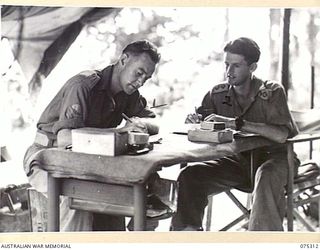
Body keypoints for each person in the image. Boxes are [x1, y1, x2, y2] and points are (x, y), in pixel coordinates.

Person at [23, 40, 161, 231]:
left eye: (146, 78)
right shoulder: (83, 85)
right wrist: (119, 133)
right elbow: (65, 139)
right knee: (76, 198)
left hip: (85, 163)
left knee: (132, 191)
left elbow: (155, 123)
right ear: (123, 60)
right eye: (139, 73)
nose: (140, 82)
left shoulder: (129, 94)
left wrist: (141, 124)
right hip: (46, 157)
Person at [170, 37, 300, 231]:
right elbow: (204, 119)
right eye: (227, 65)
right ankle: (187, 237)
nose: (229, 72)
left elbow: (281, 135)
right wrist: (196, 121)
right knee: (190, 175)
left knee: (265, 176)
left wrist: (238, 124)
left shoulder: (271, 92)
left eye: (236, 66)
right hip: (239, 162)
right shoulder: (218, 93)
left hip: (277, 160)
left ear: (252, 67)